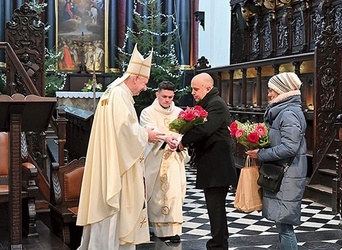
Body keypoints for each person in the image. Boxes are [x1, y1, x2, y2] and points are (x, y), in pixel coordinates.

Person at [77, 44, 165, 250]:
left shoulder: (112, 92)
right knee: (115, 209)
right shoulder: (120, 95)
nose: (144, 88)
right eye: (144, 83)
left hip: (111, 161)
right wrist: (147, 134)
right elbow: (125, 131)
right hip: (117, 166)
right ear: (135, 77)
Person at [246, 72, 307, 250]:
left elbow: (290, 147)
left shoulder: (288, 114)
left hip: (288, 175)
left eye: (272, 90)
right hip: (284, 174)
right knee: (282, 224)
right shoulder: (283, 112)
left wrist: (261, 154)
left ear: (282, 90)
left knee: (285, 225)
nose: (269, 94)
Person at [178, 73, 237, 250]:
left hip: (218, 167)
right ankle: (218, 243)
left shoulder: (216, 104)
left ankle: (218, 245)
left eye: (196, 89)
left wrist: (184, 140)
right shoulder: (209, 103)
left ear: (208, 88)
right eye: (192, 89)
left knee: (216, 208)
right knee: (215, 208)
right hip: (213, 165)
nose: (193, 93)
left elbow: (205, 129)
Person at [140, 81, 190, 243]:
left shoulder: (179, 112)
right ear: (157, 94)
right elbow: (149, 132)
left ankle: (173, 230)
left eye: (170, 97)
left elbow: (184, 132)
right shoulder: (148, 112)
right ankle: (153, 228)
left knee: (174, 192)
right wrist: (166, 140)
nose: (167, 100)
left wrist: (178, 142)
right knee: (155, 195)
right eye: (164, 96)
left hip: (174, 158)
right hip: (156, 159)